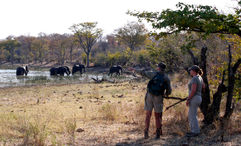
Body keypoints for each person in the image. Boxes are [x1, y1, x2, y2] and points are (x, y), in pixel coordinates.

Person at [139, 62, 172, 139]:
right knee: (158, 116)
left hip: (149, 96)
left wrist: (134, 70)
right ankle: (158, 133)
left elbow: (143, 73)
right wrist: (165, 94)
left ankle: (146, 132)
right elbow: (169, 91)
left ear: (159, 68)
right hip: (159, 97)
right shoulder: (166, 78)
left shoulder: (154, 74)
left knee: (148, 115)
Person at [186, 65, 205, 137]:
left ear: (193, 71)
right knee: (193, 114)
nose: (190, 71)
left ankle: (195, 131)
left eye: (190, 70)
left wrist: (188, 99)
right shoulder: (200, 77)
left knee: (192, 115)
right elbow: (203, 86)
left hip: (194, 98)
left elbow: (193, 90)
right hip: (199, 97)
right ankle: (194, 130)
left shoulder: (194, 78)